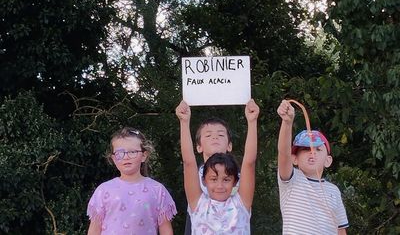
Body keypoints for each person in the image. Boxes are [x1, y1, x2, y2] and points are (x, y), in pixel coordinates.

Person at [176, 99, 259, 234]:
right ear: (203, 180)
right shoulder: (198, 205)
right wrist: (184, 122)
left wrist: (252, 121)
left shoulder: (241, 204)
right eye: (214, 179)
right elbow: (188, 162)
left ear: (235, 181)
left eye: (226, 179)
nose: (220, 185)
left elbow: (249, 162)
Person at [277, 100, 349, 234]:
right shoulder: (291, 181)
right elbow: (283, 153)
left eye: (317, 149)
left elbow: (341, 230)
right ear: (294, 159)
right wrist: (287, 123)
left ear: (328, 161)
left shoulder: (334, 191)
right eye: (305, 149)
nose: (312, 151)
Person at [87, 127, 177, 235]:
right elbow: (94, 229)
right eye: (120, 153)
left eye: (132, 152)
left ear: (144, 155)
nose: (126, 157)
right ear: (114, 158)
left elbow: (166, 230)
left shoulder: (157, 190)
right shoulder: (104, 190)